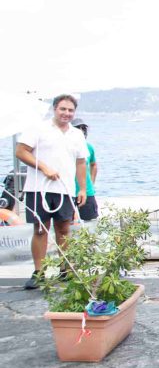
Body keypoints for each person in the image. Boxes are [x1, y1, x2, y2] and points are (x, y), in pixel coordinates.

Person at [15, 94, 88, 290]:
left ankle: (66, 269)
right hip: (39, 188)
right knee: (40, 228)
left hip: (65, 189)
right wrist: (44, 167)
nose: (66, 113)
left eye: (70, 110)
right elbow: (21, 151)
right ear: (55, 109)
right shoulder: (38, 129)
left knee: (64, 230)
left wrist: (82, 188)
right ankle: (39, 272)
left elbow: (81, 162)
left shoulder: (76, 134)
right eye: (63, 109)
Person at [71, 119, 99, 222]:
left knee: (90, 222)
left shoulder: (88, 147)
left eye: (83, 128)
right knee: (66, 224)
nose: (81, 131)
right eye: (78, 128)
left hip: (86, 192)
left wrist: (91, 182)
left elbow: (94, 165)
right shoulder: (63, 147)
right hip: (69, 191)